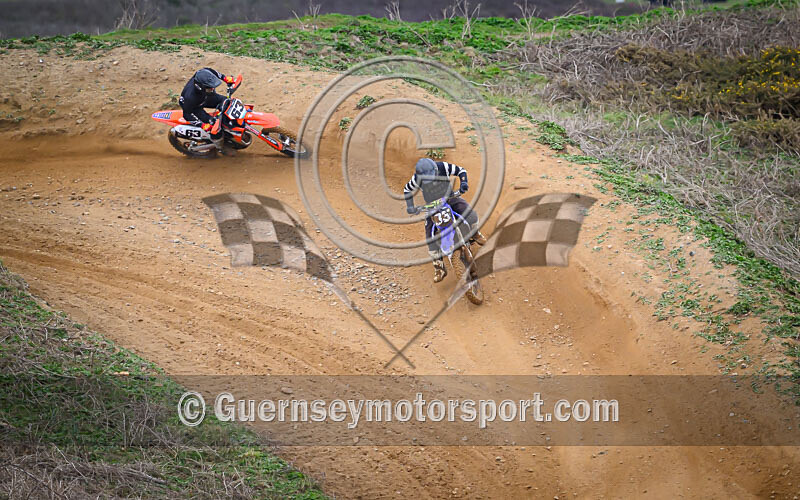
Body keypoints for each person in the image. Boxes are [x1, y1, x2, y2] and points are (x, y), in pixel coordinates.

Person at [404, 158, 487, 283]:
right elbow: (407, 190)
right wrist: (410, 206)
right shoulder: (416, 179)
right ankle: (439, 267)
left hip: (450, 198)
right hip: (432, 206)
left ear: (435, 170)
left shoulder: (443, 166)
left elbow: (461, 171)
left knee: (469, 213)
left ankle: (475, 233)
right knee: (429, 235)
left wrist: (464, 183)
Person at [179, 68, 236, 155]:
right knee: (214, 126)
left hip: (206, 97)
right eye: (210, 87)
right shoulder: (190, 97)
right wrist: (202, 125)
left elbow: (210, 71)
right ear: (201, 87)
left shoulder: (202, 75)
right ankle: (221, 148)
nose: (213, 88)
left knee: (227, 103)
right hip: (195, 108)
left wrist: (224, 78)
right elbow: (187, 114)